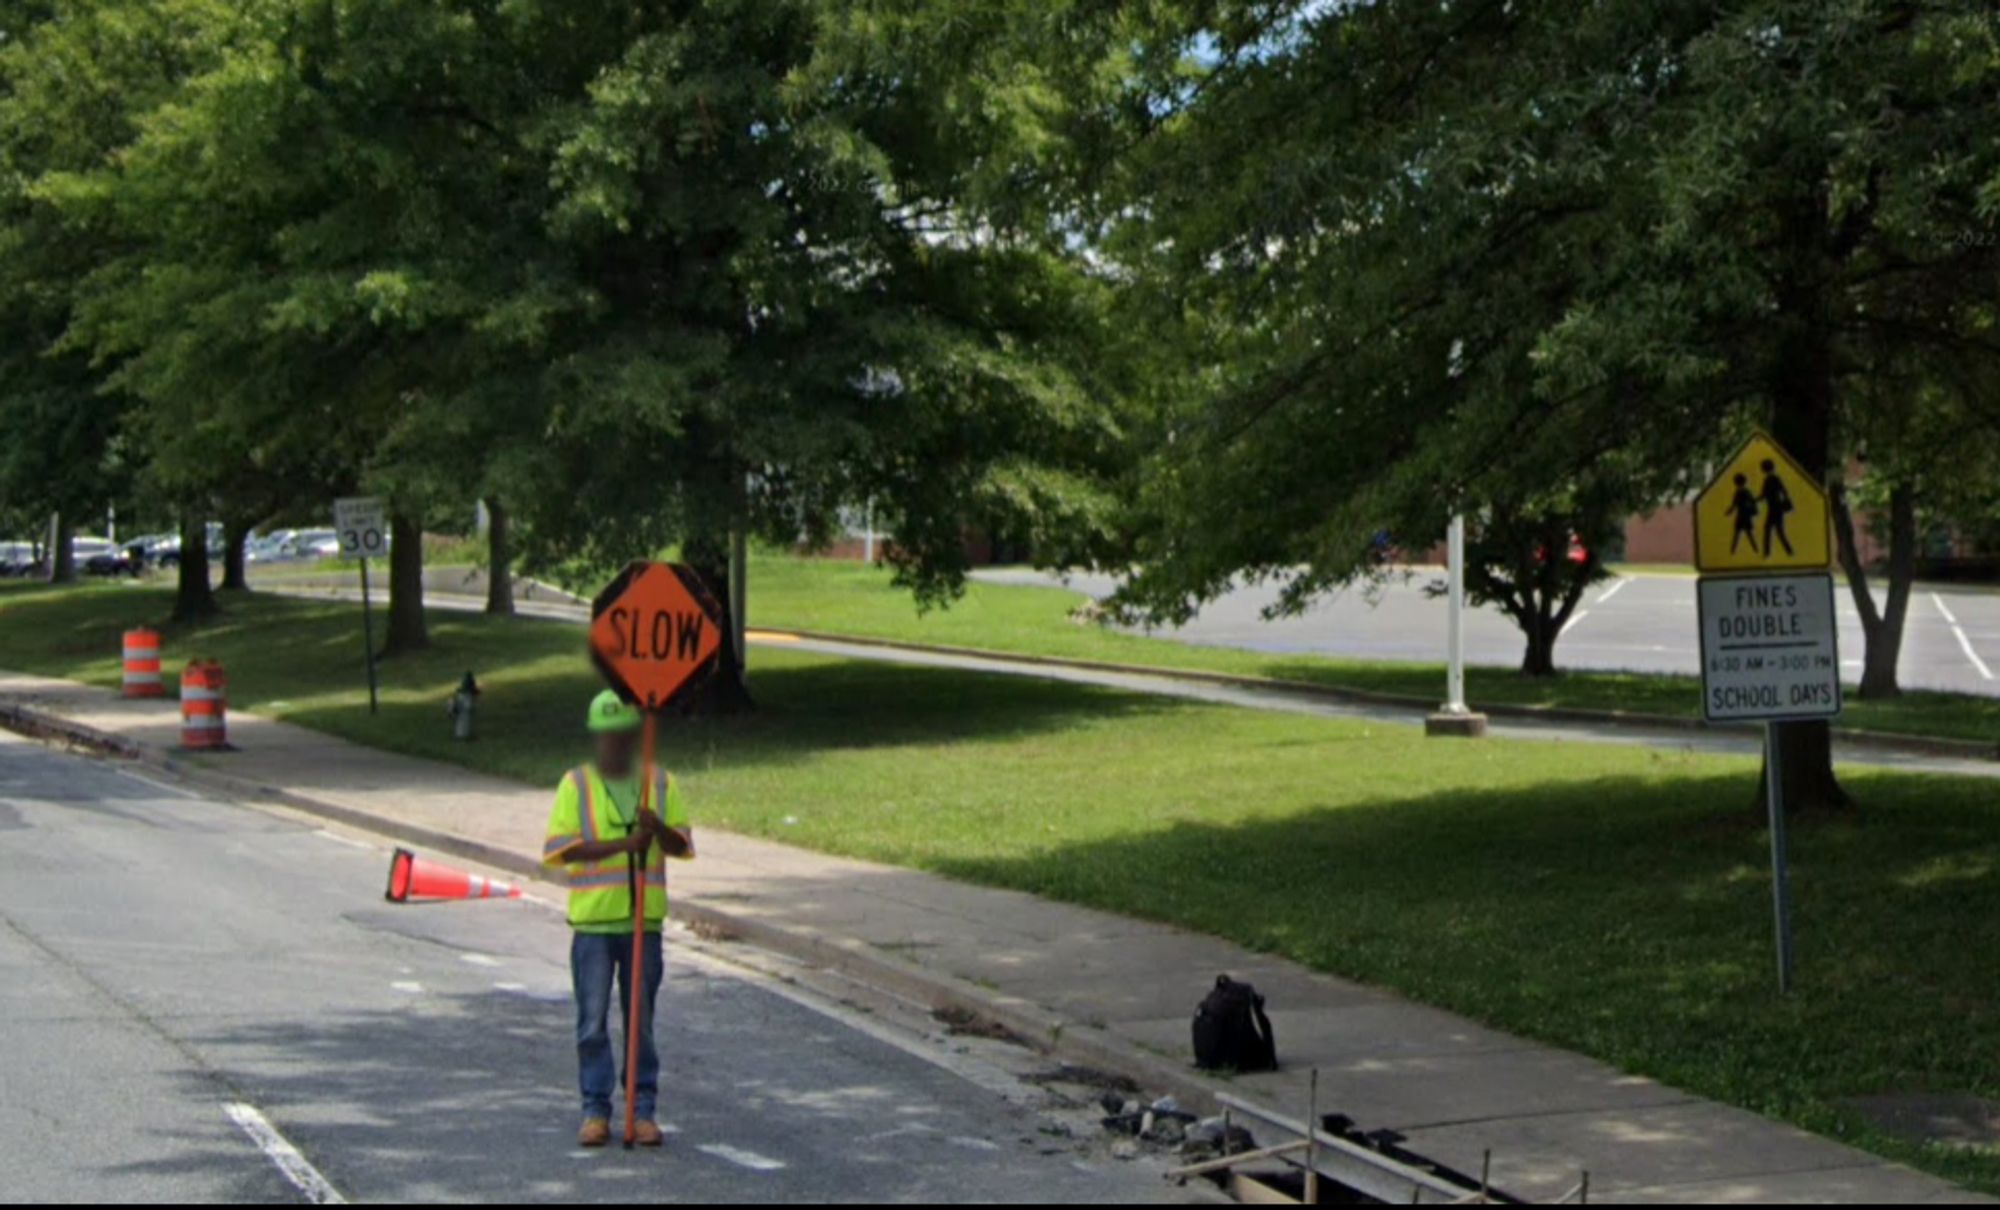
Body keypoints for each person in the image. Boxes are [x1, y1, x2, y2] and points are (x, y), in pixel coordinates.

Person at [541, 690, 694, 1148]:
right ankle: (595, 1110)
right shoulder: (577, 785)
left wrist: (657, 829)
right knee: (591, 1022)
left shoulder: (660, 782)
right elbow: (560, 849)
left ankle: (642, 1108)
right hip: (593, 924)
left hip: (642, 925)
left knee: (640, 1022)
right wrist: (624, 847)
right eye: (605, 737)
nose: (613, 745)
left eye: (620, 736)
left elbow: (682, 845)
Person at [1758, 458, 1795, 557]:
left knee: (1771, 530)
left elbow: (1764, 494)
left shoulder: (1770, 479)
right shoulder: (1775, 478)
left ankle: (1768, 552)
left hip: (1775, 508)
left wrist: (1755, 500)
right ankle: (1787, 551)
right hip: (1776, 508)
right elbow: (1784, 491)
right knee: (1777, 531)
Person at [1725, 472, 1759, 554]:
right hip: (1746, 515)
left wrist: (1729, 511)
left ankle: (1733, 552)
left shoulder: (1739, 492)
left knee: (1738, 534)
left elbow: (1734, 504)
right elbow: (1753, 501)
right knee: (1748, 534)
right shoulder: (1747, 491)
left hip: (1741, 516)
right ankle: (1756, 550)